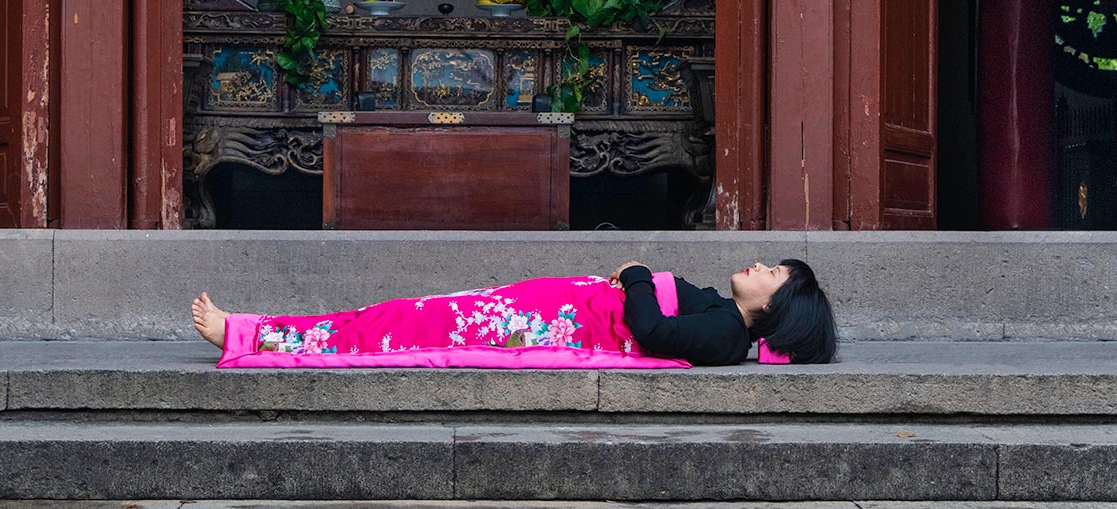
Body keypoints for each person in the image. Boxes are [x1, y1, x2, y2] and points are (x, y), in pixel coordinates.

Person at [190, 257, 836, 367]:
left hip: (547, 323)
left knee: (393, 327)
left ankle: (250, 333)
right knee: (394, 317)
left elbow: (654, 329)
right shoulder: (725, 313)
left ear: (777, 308)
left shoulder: (727, 331)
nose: (758, 265)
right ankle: (261, 330)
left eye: (772, 273)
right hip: (543, 309)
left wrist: (638, 273)